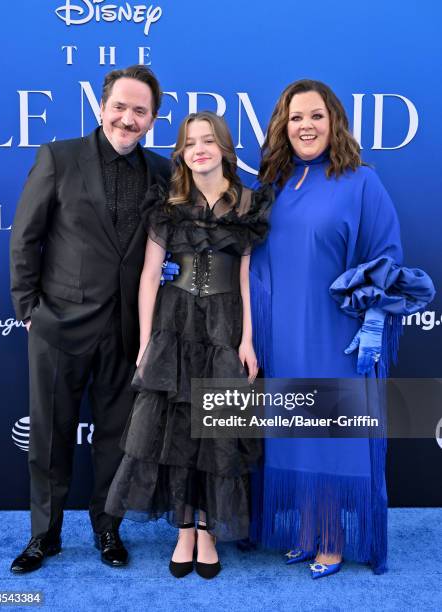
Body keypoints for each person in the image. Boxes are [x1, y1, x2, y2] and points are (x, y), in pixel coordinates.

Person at [250, 79, 435, 577]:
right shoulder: (274, 185)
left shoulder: (361, 181)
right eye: (295, 118)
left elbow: (386, 256)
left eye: (315, 116)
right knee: (294, 432)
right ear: (281, 127)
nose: (305, 126)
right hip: (282, 334)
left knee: (332, 434)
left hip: (336, 334)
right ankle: (307, 529)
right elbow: (250, 257)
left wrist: (374, 320)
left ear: (334, 122)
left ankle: (332, 536)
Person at [9, 65, 174, 573]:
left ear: (152, 119)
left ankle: (107, 528)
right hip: (59, 324)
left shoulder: (162, 172)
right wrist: (28, 311)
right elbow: (25, 238)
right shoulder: (58, 158)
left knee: (115, 440)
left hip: (127, 330)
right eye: (120, 106)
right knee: (50, 436)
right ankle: (45, 535)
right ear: (101, 107)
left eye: (139, 111)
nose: (128, 118)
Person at [104, 111, 272, 579]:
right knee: (176, 429)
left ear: (223, 148)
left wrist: (247, 340)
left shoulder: (247, 204)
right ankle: (184, 527)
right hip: (173, 325)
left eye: (208, 141)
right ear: (181, 152)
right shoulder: (168, 203)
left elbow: (245, 276)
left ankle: (209, 528)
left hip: (223, 325)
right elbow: (149, 275)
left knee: (217, 428)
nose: (199, 149)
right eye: (190, 142)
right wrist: (144, 342)